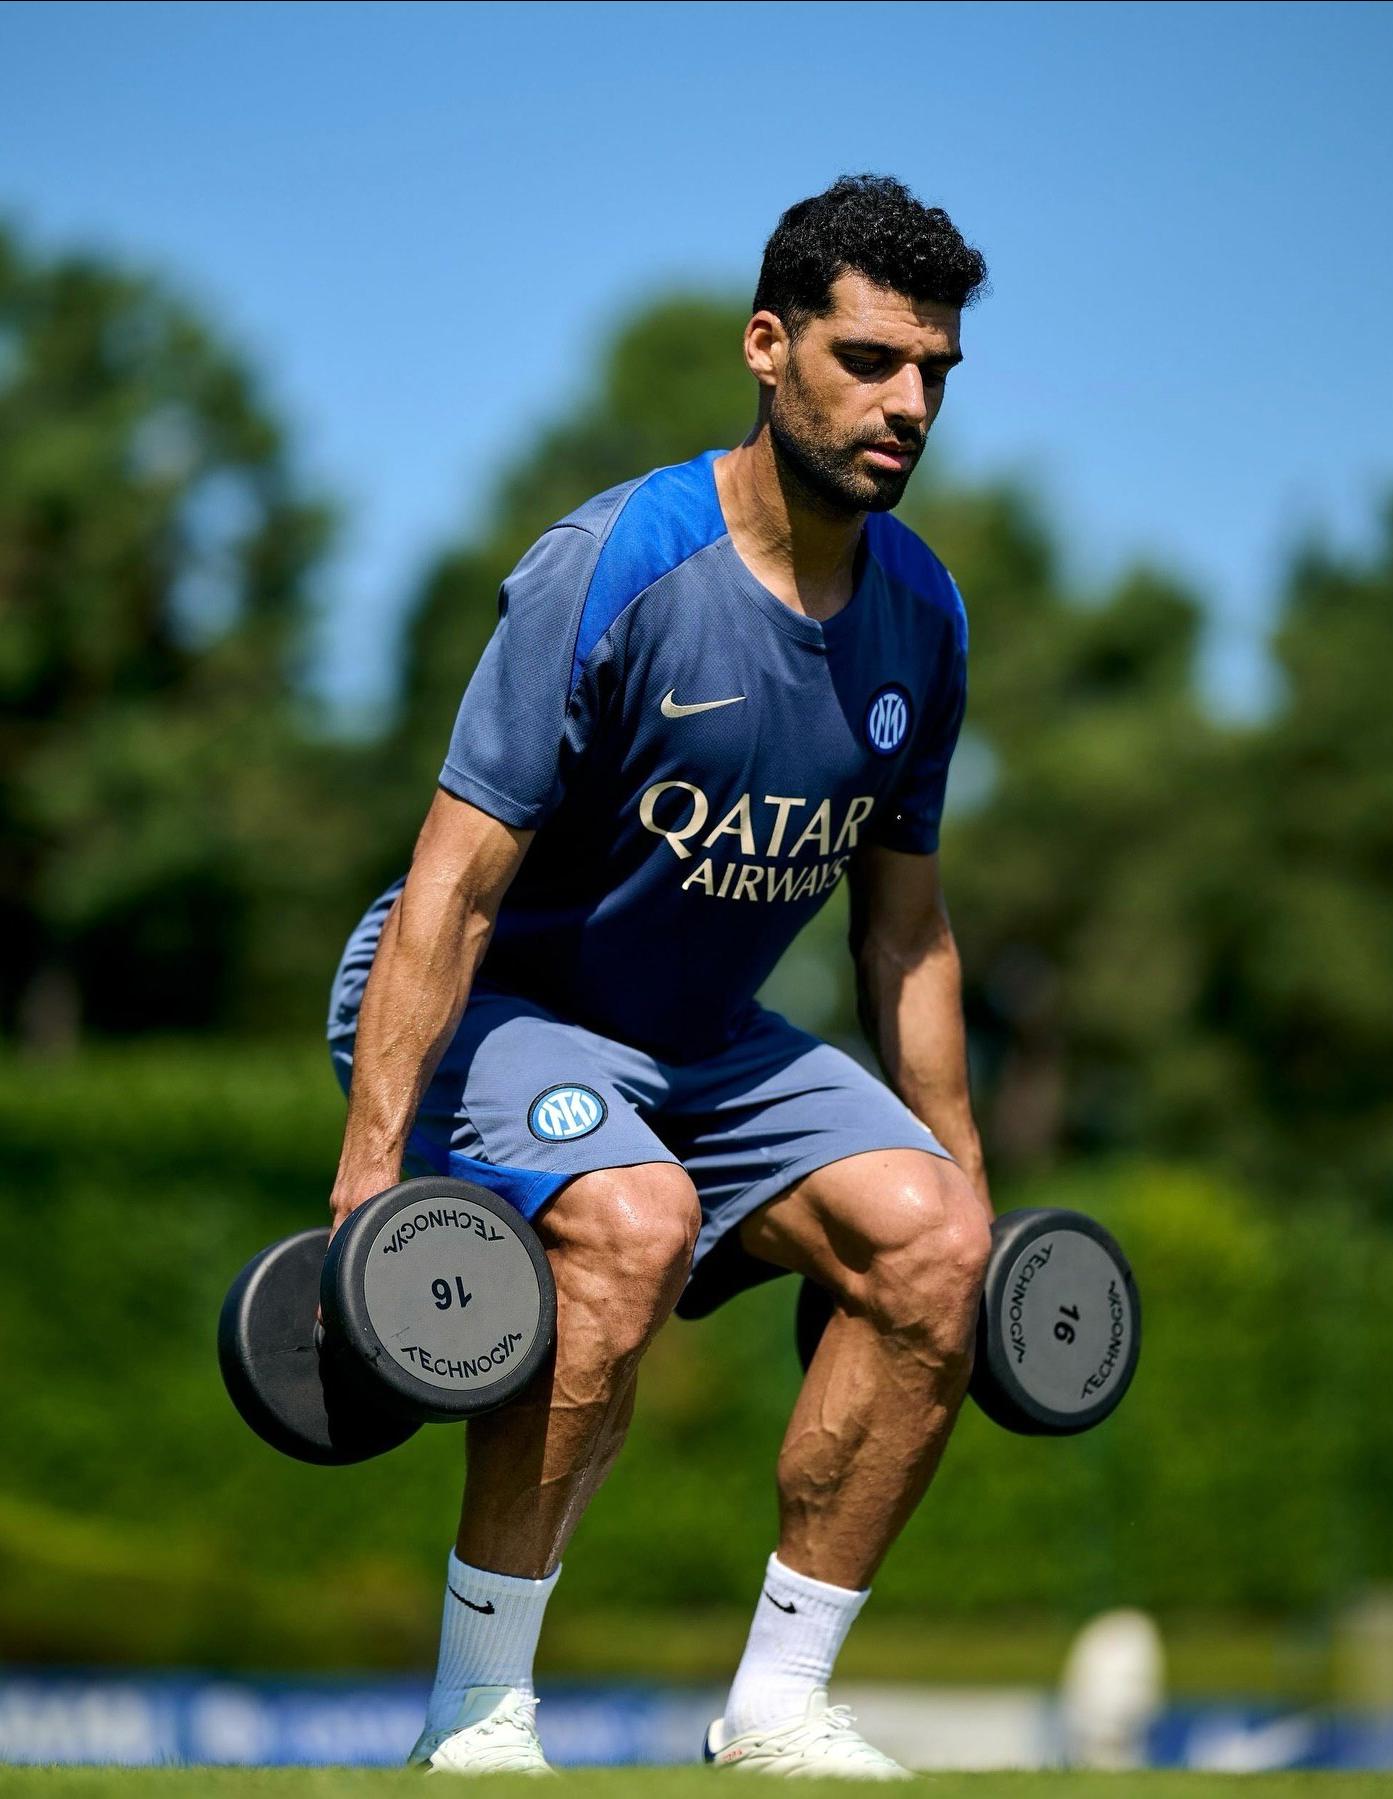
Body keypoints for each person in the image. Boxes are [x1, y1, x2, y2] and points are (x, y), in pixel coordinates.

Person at [326, 173, 992, 1779]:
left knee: (935, 1242)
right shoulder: (617, 563)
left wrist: (966, 1190)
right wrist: (367, 1174)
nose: (906, 405)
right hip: (505, 1003)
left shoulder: (922, 613)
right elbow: (452, 883)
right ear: (768, 347)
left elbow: (905, 931)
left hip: (704, 1038)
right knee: (633, 1221)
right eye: (869, 359)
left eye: (933, 373)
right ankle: (477, 1710)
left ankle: (778, 1708)